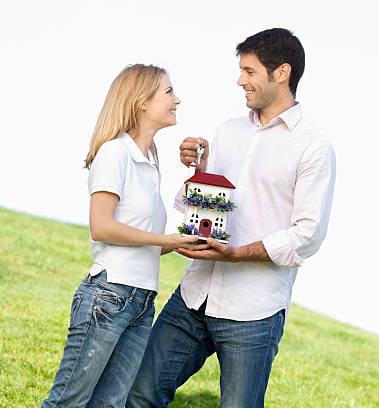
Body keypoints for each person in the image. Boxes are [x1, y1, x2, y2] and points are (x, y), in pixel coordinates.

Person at [126, 28, 336, 408]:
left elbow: (308, 234)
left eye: (250, 72)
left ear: (282, 72)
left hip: (253, 312)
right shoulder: (227, 130)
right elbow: (202, 210)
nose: (241, 81)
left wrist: (236, 254)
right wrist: (199, 171)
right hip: (194, 296)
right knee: (140, 394)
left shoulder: (313, 149)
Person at [41, 64, 204, 408]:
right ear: (142, 101)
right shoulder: (115, 153)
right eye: (168, 92)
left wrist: (181, 244)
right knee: (68, 403)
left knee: (110, 405)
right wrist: (168, 241)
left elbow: (139, 240)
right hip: (108, 297)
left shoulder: (149, 162)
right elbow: (102, 227)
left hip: (141, 301)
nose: (178, 99)